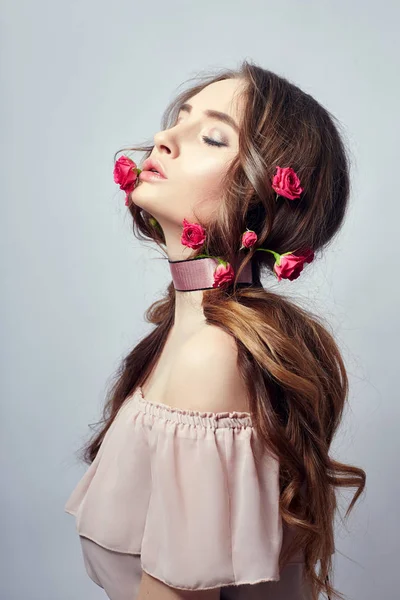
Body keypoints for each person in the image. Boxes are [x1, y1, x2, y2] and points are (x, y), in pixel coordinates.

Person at [65, 59, 366, 600]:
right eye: (177, 119)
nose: (163, 138)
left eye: (210, 136)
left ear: (259, 196)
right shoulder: (180, 341)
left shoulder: (211, 356)